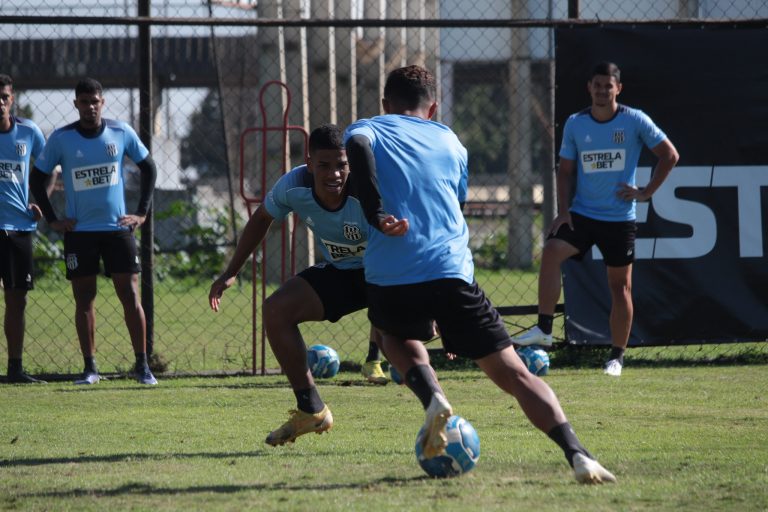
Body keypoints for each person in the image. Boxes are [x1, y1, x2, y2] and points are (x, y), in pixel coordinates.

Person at [344, 64, 616, 484]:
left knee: (391, 335)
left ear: (385, 104)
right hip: (451, 271)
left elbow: (358, 148)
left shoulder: (369, 127)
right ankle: (578, 454)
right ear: (433, 108)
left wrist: (377, 213)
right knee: (515, 374)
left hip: (392, 273)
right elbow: (454, 204)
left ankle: (433, 397)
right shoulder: (452, 141)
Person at [209, 123, 388, 446]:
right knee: (276, 310)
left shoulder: (368, 189)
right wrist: (231, 272)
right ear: (309, 164)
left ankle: (438, 410)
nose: (334, 174)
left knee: (403, 345)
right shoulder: (293, 186)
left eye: (342, 165)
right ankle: (311, 409)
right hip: (342, 273)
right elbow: (261, 218)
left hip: (386, 272)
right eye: (324, 165)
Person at [513, 62, 679, 377]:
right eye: (597, 85)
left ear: (618, 88)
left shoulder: (635, 120)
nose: (602, 91)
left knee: (620, 287)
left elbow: (669, 155)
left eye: (608, 86)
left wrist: (645, 192)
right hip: (583, 215)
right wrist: (564, 211)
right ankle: (544, 329)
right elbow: (564, 171)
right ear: (589, 87)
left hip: (619, 219)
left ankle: (616, 357)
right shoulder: (576, 123)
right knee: (551, 251)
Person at [30, 77, 158, 386]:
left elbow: (149, 168)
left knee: (130, 295)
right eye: (84, 102)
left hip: (117, 230)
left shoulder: (121, 132)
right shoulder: (62, 139)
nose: (90, 107)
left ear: (103, 103)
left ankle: (142, 366)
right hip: (80, 233)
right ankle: (90, 368)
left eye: (95, 102)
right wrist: (53, 219)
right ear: (76, 104)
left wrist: (141, 213)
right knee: (84, 299)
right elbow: (36, 178)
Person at [0, 74, 47, 384]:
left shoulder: (29, 132)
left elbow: (48, 167)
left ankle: (15, 369)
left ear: (12, 99)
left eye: (4, 97)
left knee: (17, 301)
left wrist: (40, 201)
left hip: (18, 227)